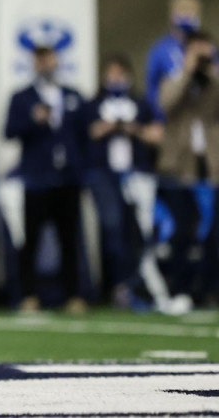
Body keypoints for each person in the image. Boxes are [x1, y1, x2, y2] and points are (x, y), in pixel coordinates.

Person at [4, 44, 87, 313]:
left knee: (69, 239)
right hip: (37, 178)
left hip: (67, 178)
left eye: (49, 59)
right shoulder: (22, 97)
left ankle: (73, 295)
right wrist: (33, 120)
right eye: (41, 60)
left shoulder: (73, 95)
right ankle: (28, 294)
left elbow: (83, 134)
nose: (46, 65)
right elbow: (9, 131)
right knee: (31, 241)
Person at [82, 54, 162, 307]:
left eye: (120, 73)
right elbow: (86, 133)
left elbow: (156, 134)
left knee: (138, 232)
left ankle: (139, 285)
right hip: (105, 175)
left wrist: (133, 129)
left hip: (137, 175)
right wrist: (106, 128)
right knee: (112, 229)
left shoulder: (140, 103)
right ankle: (116, 286)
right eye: (111, 73)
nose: (115, 78)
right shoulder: (94, 104)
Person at [155, 31, 219, 304]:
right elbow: (165, 103)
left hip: (211, 166)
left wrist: (211, 73)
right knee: (182, 231)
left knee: (214, 234)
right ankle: (179, 289)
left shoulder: (214, 82)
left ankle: (209, 290)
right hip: (179, 167)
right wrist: (187, 70)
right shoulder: (173, 79)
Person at [146, 0, 203, 109]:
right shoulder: (160, 50)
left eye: (191, 12)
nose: (187, 16)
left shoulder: (206, 47)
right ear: (172, 15)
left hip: (203, 118)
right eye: (182, 11)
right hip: (171, 120)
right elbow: (152, 89)